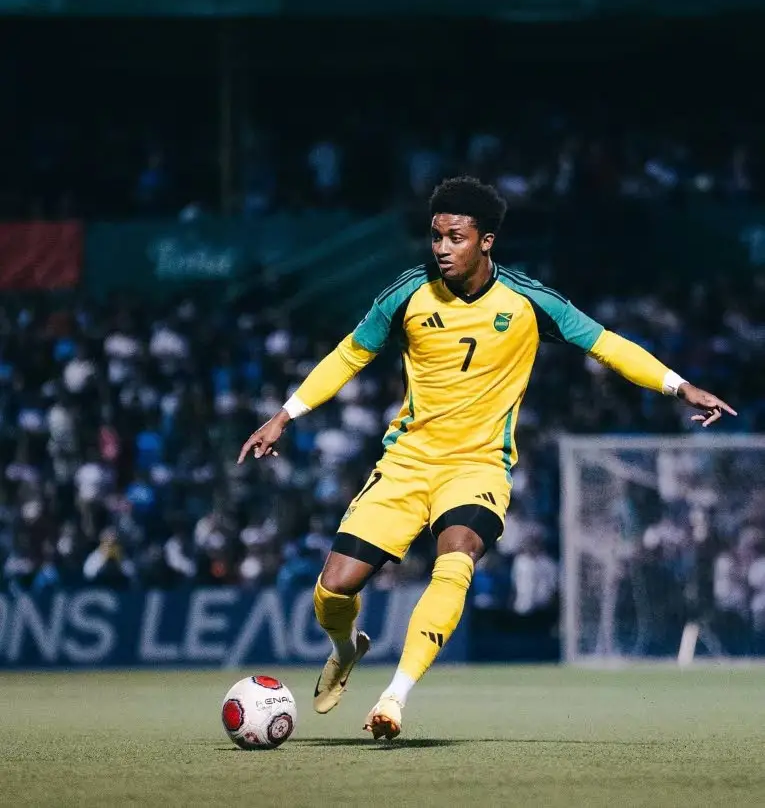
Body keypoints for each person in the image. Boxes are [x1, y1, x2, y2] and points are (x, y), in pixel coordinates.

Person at [238, 176, 735, 740]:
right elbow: (348, 356)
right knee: (332, 591)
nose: (442, 248)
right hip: (405, 465)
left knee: (457, 557)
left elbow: (607, 343)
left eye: (455, 237)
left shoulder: (527, 300)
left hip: (477, 468)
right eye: (435, 237)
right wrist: (284, 414)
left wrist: (679, 385)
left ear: (486, 241)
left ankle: (393, 698)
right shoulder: (406, 294)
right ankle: (345, 648)